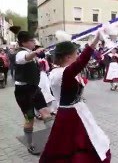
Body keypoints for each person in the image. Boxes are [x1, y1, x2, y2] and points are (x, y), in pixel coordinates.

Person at [41, 30, 111, 162]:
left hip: (77, 111)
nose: (77, 57)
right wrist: (95, 41)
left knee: (88, 140)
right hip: (69, 115)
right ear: (67, 57)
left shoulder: (63, 72)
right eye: (75, 55)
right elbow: (80, 63)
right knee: (73, 146)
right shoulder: (60, 73)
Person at [14, 31, 54, 155]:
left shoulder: (29, 52)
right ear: (24, 42)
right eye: (32, 40)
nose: (34, 42)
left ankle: (55, 140)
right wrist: (35, 53)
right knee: (29, 119)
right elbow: (24, 58)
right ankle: (30, 144)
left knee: (46, 114)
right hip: (23, 92)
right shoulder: (20, 53)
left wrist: (36, 54)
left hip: (34, 89)